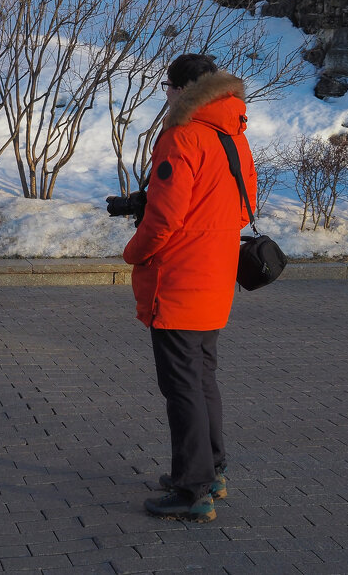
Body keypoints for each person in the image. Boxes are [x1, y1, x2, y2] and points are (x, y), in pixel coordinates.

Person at [122, 53, 257, 523]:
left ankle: (192, 489)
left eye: (167, 87)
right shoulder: (234, 136)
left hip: (177, 280)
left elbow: (164, 219)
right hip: (216, 278)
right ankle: (211, 472)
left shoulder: (182, 136)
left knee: (181, 387)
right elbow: (243, 209)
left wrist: (133, 252)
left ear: (180, 90)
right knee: (202, 379)